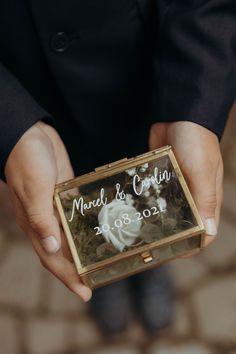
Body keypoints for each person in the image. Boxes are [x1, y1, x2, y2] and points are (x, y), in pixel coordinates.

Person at [0, 0, 235, 334]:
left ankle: (149, 260)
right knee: (82, 209)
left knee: (153, 194)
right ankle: (107, 266)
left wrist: (195, 96)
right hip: (32, 83)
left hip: (142, 62)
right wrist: (10, 123)